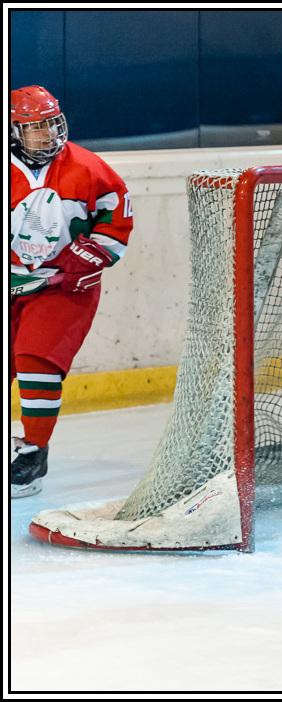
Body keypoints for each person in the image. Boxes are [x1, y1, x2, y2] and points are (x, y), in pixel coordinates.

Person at [9, 85, 134, 498]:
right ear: (13, 131)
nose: (47, 134)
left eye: (51, 124)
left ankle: (33, 453)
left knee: (35, 361)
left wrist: (82, 261)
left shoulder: (89, 167)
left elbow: (116, 220)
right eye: (34, 128)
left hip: (62, 288)